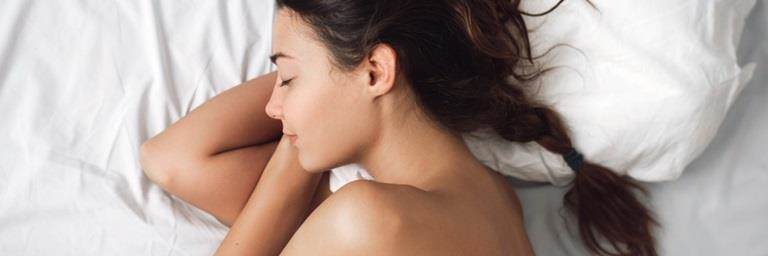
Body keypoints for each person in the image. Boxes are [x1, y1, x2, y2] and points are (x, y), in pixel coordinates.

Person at [140, 0, 658, 255]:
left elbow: (175, 159)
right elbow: (172, 160)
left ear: (375, 71)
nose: (272, 108)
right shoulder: (493, 201)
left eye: (288, 77)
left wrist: (303, 126)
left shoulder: (368, 220)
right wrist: (305, 115)